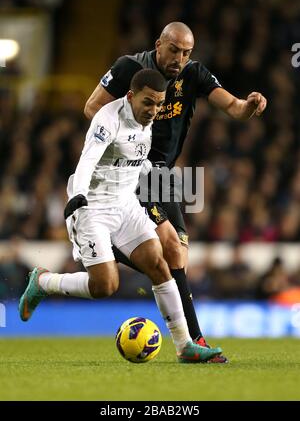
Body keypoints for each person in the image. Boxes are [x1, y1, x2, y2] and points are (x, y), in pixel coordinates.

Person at [84, 22, 267, 361]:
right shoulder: (130, 68)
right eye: (174, 50)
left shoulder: (194, 75)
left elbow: (232, 107)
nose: (179, 58)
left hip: (162, 175)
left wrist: (248, 106)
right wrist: (127, 138)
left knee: (177, 254)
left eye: (186, 52)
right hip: (128, 170)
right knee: (168, 244)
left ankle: (103, 250)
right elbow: (92, 107)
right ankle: (193, 343)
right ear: (159, 44)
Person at [19, 69, 222, 363]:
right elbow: (87, 159)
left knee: (158, 263)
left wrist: (158, 176)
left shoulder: (145, 122)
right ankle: (44, 282)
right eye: (148, 103)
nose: (154, 111)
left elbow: (135, 161)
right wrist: (77, 196)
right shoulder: (108, 119)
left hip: (126, 204)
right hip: (92, 208)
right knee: (105, 286)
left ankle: (185, 345)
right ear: (130, 96)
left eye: (159, 104)